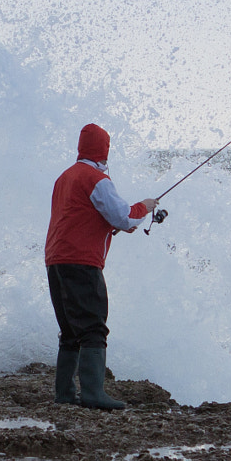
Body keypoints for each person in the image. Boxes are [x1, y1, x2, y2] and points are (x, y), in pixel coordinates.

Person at [44, 122, 156, 409]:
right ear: (104, 150)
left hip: (56, 259)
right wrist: (145, 206)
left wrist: (119, 224)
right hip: (81, 261)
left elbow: (82, 216)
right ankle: (93, 394)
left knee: (70, 330)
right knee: (93, 328)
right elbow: (124, 217)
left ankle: (65, 395)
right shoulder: (96, 179)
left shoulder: (64, 177)